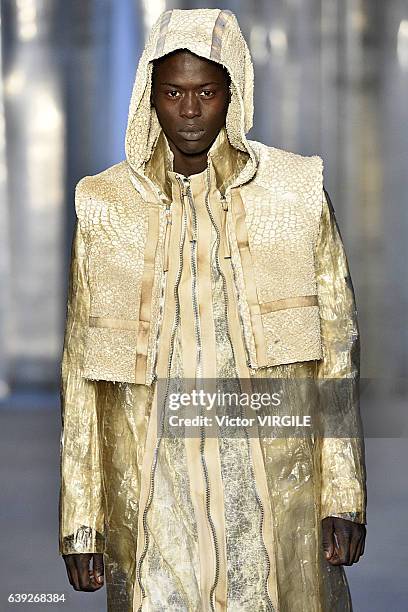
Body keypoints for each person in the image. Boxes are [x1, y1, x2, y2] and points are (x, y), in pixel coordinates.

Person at [59, 8, 367, 612]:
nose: (191, 111)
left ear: (236, 93)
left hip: (273, 483)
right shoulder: (107, 204)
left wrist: (342, 494)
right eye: (173, 93)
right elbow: (81, 372)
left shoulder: (294, 193)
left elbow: (337, 354)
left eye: (207, 92)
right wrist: (81, 514)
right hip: (152, 485)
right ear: (150, 96)